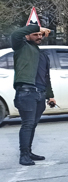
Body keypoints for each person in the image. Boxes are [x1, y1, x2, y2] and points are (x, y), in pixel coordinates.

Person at [11, 24, 57, 166]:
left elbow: (46, 77)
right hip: (26, 92)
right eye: (35, 34)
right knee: (27, 124)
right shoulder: (21, 47)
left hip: (40, 94)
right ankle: (23, 155)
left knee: (33, 125)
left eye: (40, 35)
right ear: (28, 35)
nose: (39, 37)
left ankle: (29, 151)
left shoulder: (42, 55)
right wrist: (37, 26)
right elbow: (15, 34)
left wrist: (50, 95)